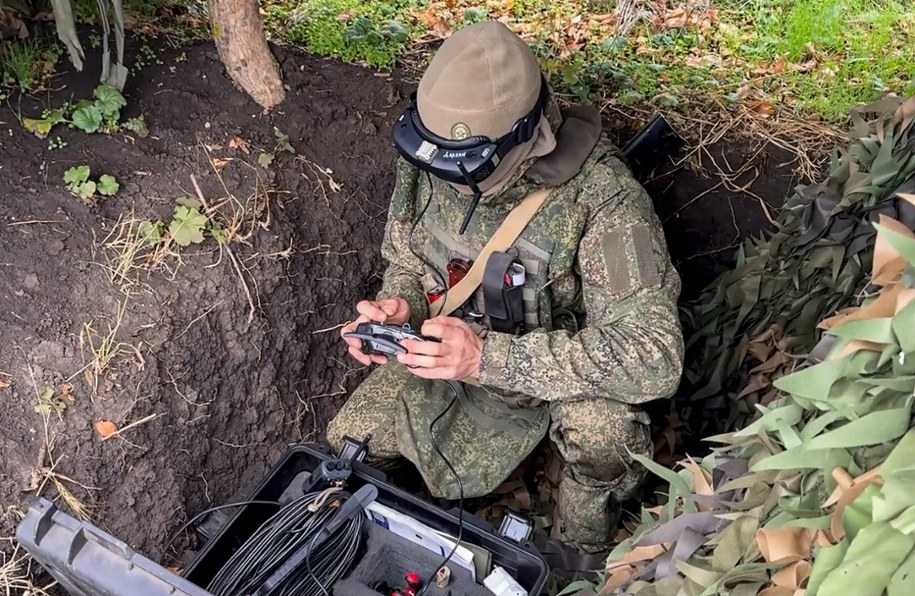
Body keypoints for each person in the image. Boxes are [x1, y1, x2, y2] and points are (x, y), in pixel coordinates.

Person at [326, 20, 684, 555]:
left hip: (560, 371)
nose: (444, 177)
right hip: (455, 358)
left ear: (523, 139)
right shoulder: (432, 156)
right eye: (433, 159)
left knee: (602, 433)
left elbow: (655, 354)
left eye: (462, 166)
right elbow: (406, 256)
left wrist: (487, 360)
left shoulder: (604, 200)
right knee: (347, 443)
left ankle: (579, 549)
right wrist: (402, 307)